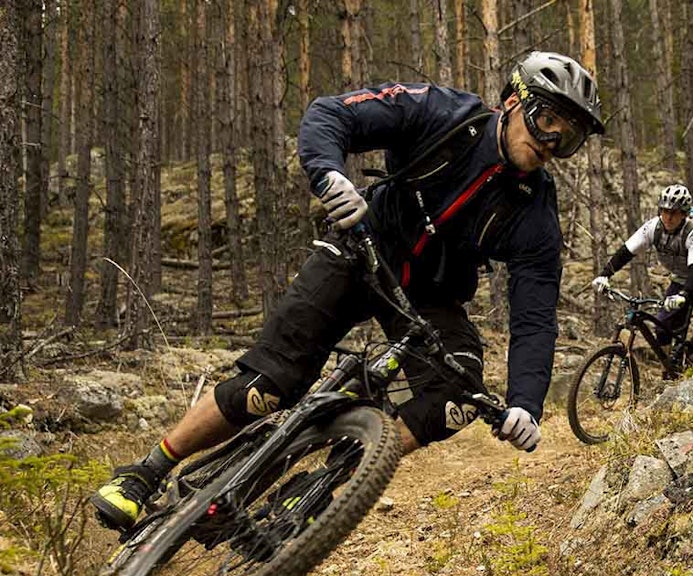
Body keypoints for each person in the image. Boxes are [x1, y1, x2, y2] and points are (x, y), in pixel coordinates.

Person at [91, 51, 605, 532]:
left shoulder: (536, 212)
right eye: (546, 120)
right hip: (362, 250)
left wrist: (525, 403)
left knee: (459, 395)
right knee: (267, 387)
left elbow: (535, 315)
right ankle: (148, 469)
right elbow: (332, 114)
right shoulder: (441, 112)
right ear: (512, 102)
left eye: (570, 137)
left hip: (429, 298)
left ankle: (322, 482)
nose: (551, 142)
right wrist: (329, 173)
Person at [590, 184, 693, 354]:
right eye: (664, 211)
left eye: (673, 213)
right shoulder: (653, 227)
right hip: (681, 277)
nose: (667, 217)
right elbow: (626, 251)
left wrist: (683, 294)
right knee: (662, 326)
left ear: (684, 214)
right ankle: (669, 370)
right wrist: (605, 275)